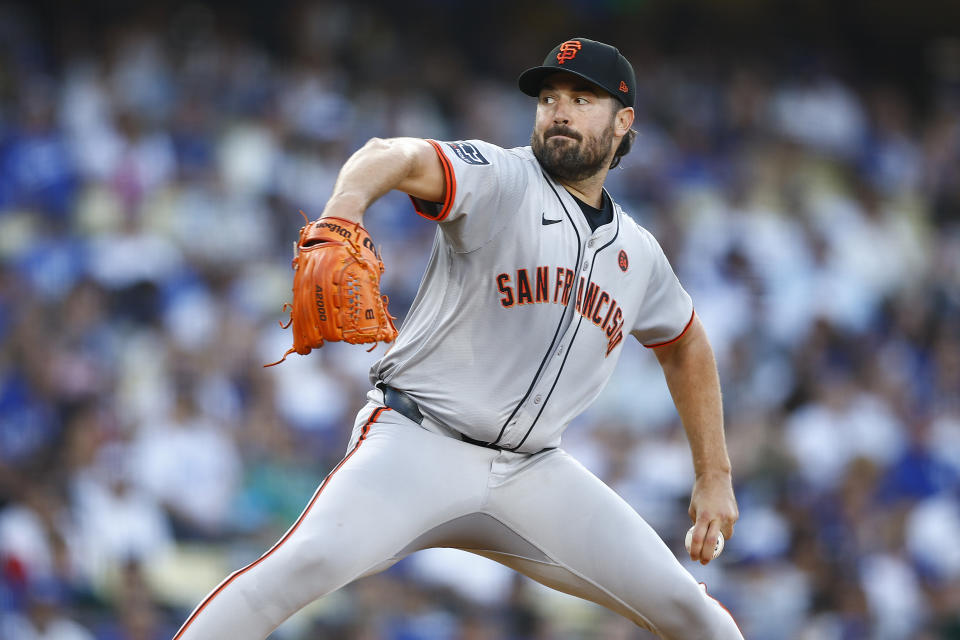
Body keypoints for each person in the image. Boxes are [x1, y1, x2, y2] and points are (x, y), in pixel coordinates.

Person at [174, 37, 742, 639]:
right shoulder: (500, 177)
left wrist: (714, 475)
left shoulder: (638, 253)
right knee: (299, 567)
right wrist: (344, 209)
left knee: (697, 616)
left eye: (582, 99)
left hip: (535, 473)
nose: (560, 111)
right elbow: (389, 153)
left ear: (624, 123)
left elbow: (685, 344)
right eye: (549, 98)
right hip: (419, 444)